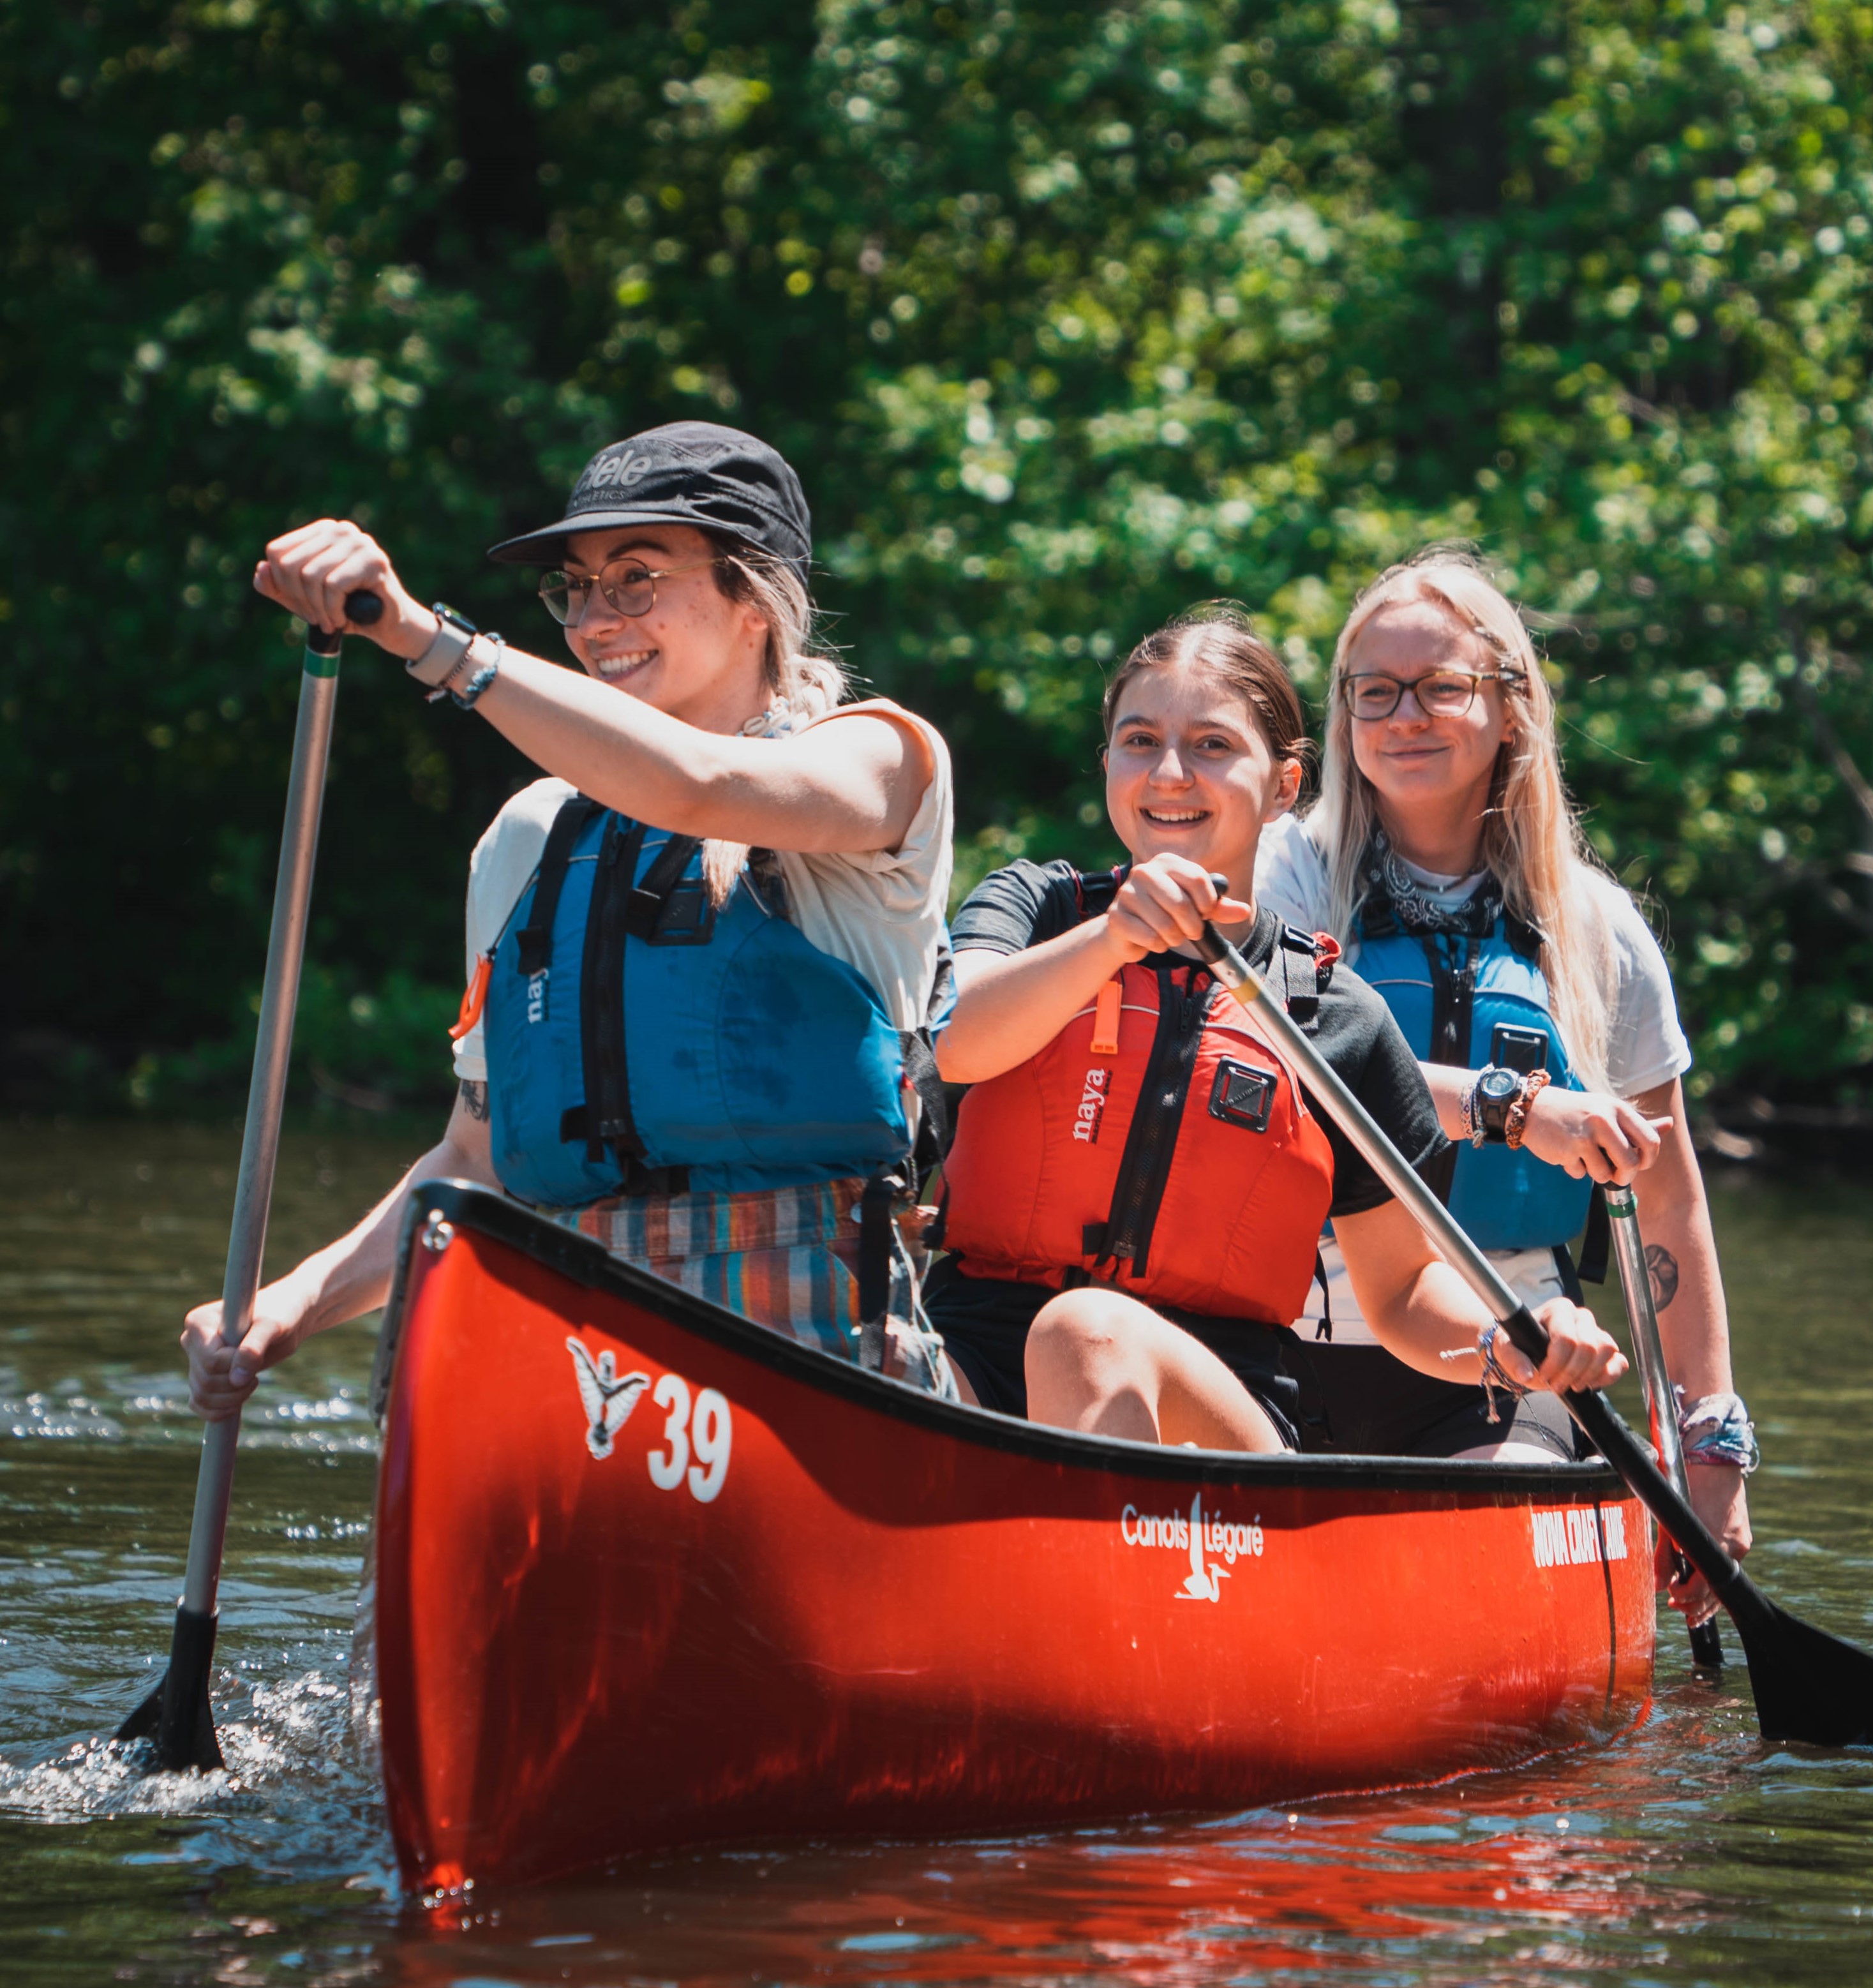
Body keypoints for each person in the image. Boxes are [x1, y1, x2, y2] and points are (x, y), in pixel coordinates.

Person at [183, 422, 954, 1414]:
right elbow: (475, 1159)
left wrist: (428, 639)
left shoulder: (879, 761)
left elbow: (702, 786)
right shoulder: (530, 834)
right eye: (577, 588)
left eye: (635, 577)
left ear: (752, 599)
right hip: (580, 1342)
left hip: (808, 1336)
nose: (595, 619)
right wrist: (283, 1306)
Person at [925, 606, 1627, 1453]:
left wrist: (1502, 1344)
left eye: (1212, 745)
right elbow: (956, 1037)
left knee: (1085, 1332)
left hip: (1218, 1400)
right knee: (874, 1361)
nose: (1170, 773)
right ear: (1106, 761)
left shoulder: (1335, 1016)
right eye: (1139, 740)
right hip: (973, 1349)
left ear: (1283, 787)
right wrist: (1112, 937)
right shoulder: (1031, 908)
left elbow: (1402, 1291)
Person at [1257, 544, 1754, 1610]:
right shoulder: (1285, 874)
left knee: (1473, 1546)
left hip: (1509, 1360)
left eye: (1441, 687)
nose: (1404, 715)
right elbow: (1295, 1060)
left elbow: (1663, 1203)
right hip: (1284, 1340)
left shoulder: (1595, 929)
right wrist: (1514, 1108)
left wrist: (1709, 1442)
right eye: (1373, 691)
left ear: (1511, 708)